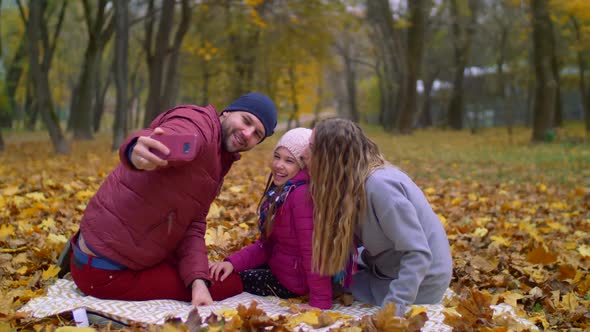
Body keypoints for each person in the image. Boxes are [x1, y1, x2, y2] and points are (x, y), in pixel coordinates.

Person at [66, 92, 278, 307]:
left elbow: (193, 224)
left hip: (127, 249)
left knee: (203, 274)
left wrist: (197, 280)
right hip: (103, 273)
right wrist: (136, 150)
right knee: (226, 284)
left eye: (257, 134)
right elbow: (171, 134)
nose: (247, 133)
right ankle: (261, 276)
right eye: (246, 120)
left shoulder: (218, 160)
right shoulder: (199, 125)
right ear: (227, 112)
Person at [302, 118, 452, 316]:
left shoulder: (381, 187)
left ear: (330, 157)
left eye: (312, 148)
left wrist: (392, 310)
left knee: (336, 285)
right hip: (387, 265)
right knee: (323, 278)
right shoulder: (352, 184)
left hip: (423, 281)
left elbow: (418, 253)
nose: (304, 154)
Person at [208, 128, 332, 309]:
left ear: (303, 165)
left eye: (289, 161)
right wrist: (232, 263)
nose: (279, 165)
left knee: (225, 281)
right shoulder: (281, 192)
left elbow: (313, 252)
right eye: (277, 156)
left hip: (292, 282)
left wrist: (320, 302)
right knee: (225, 270)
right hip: (279, 266)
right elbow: (266, 245)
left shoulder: (300, 196)